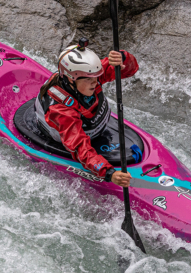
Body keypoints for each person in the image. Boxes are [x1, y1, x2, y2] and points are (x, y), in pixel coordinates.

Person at [35, 38, 138, 187]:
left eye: (96, 77)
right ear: (70, 79)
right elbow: (79, 147)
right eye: (89, 80)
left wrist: (123, 58)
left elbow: (131, 69)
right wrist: (109, 173)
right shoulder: (60, 110)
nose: (95, 82)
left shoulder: (88, 75)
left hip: (95, 130)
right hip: (67, 140)